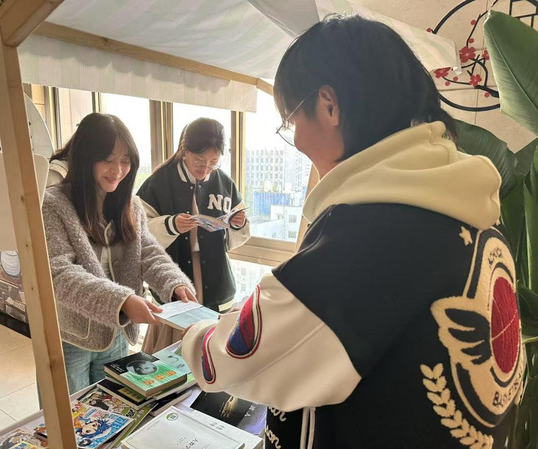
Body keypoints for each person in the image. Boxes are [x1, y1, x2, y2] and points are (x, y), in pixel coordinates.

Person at [181, 15, 525, 449]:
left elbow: (240, 358)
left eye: (291, 121)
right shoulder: (470, 205)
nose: (296, 140)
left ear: (329, 105)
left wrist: (193, 336)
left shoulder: (371, 230)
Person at [42, 112, 196, 394]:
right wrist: (122, 301)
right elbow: (60, 274)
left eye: (125, 161)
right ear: (85, 158)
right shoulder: (53, 205)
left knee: (114, 408)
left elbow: (148, 252)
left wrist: (174, 283)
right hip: (69, 337)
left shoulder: (130, 205)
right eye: (107, 159)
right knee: (70, 416)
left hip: (116, 333)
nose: (118, 170)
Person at [138, 117, 250, 353]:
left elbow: (239, 230)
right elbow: (138, 231)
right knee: (173, 343)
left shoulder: (223, 182)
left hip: (215, 273)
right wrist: (171, 225)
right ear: (184, 149)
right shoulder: (159, 181)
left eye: (213, 162)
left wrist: (237, 223)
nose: (205, 168)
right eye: (199, 160)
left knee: (211, 345)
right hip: (175, 270)